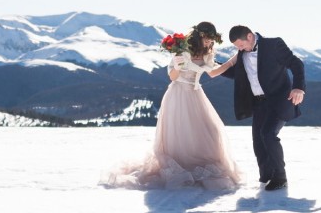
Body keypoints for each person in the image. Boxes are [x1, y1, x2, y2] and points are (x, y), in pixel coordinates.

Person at [103, 22, 241, 190]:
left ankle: (203, 160)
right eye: (207, 39)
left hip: (196, 94)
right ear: (199, 36)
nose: (209, 43)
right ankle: (182, 164)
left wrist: (234, 60)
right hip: (178, 94)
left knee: (210, 129)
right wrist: (176, 64)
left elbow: (213, 72)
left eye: (212, 40)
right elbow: (173, 77)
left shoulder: (207, 54)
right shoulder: (182, 51)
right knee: (180, 130)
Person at [220, 25, 306, 191]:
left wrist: (298, 87)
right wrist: (212, 66)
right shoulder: (243, 53)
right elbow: (236, 74)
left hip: (280, 99)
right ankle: (267, 175)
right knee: (258, 141)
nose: (239, 49)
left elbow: (296, 64)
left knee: (268, 134)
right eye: (237, 47)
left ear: (250, 36)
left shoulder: (274, 45)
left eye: (240, 45)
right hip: (259, 103)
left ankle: (280, 178)